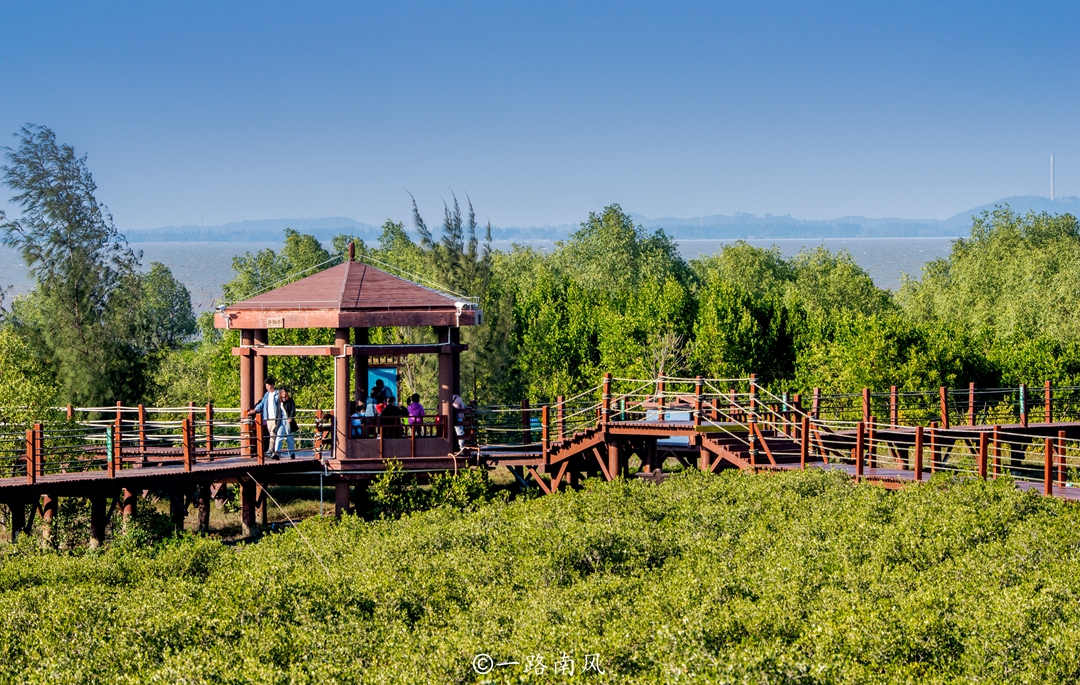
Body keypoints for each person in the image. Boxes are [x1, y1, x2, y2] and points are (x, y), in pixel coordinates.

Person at [250, 377, 281, 458]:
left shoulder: (278, 394)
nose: (267, 387)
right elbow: (262, 404)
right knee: (271, 433)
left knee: (273, 434)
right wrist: (255, 410)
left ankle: (270, 450)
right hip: (268, 418)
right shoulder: (266, 395)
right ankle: (275, 452)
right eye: (266, 386)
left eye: (268, 386)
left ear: (272, 385)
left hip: (275, 417)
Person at [276, 387, 297, 459]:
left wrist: (291, 417)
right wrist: (276, 421)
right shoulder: (279, 401)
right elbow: (278, 412)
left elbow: (293, 410)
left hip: (288, 419)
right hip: (281, 420)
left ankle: (291, 453)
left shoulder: (290, 401)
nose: (283, 394)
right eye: (282, 392)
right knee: (279, 435)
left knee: (289, 436)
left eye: (284, 392)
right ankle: (277, 452)